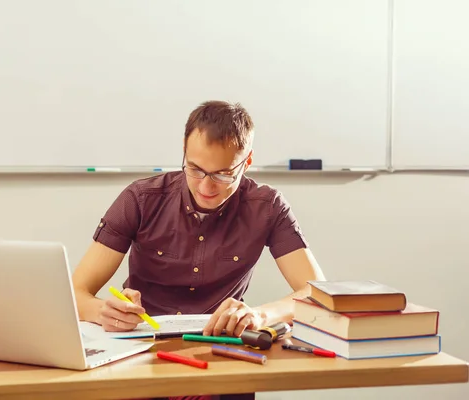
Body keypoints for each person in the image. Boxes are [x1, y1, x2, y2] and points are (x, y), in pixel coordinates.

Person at [72, 100, 326, 400]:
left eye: (223, 174)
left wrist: (259, 315)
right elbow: (74, 294)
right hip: (142, 354)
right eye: (195, 169)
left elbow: (317, 293)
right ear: (184, 149)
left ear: (247, 162)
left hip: (222, 356)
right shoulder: (140, 199)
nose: (206, 187)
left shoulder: (267, 207)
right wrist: (104, 312)